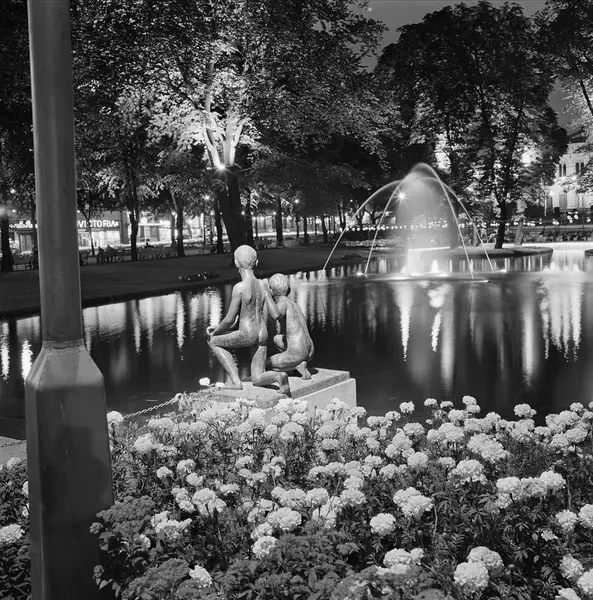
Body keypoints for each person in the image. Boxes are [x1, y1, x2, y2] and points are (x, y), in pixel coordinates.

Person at [206, 245, 290, 394]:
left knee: (213, 342)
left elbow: (229, 320)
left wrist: (215, 332)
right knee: (257, 377)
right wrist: (219, 327)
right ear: (256, 263)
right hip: (262, 333)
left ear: (236, 263)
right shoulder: (262, 284)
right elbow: (258, 314)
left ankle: (235, 382)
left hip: (247, 333)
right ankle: (279, 377)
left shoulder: (240, 287)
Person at [265, 273, 315, 379]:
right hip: (310, 350)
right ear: (289, 290)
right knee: (277, 339)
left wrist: (266, 294)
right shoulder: (294, 305)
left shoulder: (283, 304)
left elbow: (276, 314)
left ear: (271, 291)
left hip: (298, 352)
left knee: (265, 364)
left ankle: (297, 364)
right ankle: (295, 364)